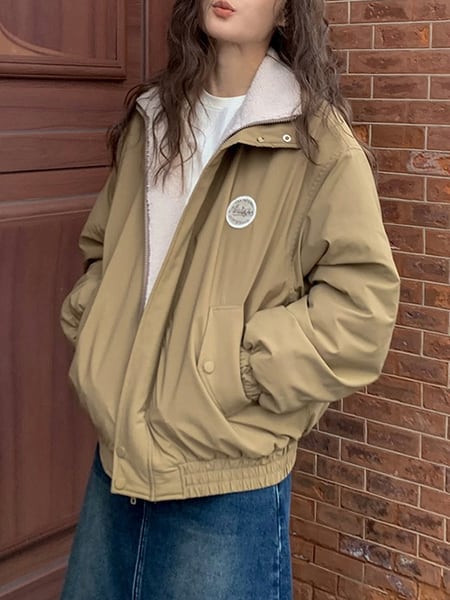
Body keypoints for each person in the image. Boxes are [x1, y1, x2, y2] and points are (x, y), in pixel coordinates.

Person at [60, 0, 400, 598]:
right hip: (115, 468)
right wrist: (99, 331)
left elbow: (361, 311)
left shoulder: (316, 142)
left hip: (226, 479)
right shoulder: (154, 121)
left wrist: (235, 371)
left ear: (287, 12)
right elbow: (102, 252)